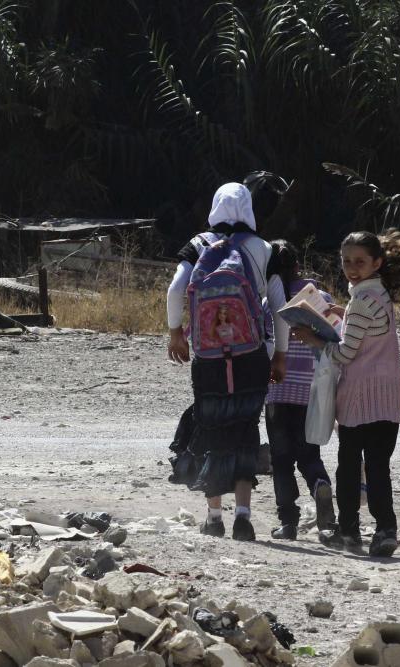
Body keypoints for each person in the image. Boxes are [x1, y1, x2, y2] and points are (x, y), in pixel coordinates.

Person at [166, 182, 289, 541]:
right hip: (251, 356)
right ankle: (244, 517)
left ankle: (214, 517)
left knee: (213, 430)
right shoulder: (264, 249)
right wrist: (280, 354)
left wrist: (175, 333)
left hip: (208, 359)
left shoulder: (198, 244)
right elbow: (280, 306)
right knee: (245, 430)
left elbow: (175, 290)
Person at [293, 230, 400, 558]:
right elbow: (367, 333)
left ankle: (349, 529)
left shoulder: (361, 299)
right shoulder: (379, 293)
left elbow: (346, 353)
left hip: (360, 397)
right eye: (347, 261)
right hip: (386, 397)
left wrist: (314, 339)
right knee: (378, 469)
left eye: (359, 262)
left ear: (377, 262)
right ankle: (385, 529)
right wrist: (343, 313)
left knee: (349, 467)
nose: (351, 268)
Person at [264, 239, 337, 541]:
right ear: (297, 265)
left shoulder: (268, 303)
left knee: (281, 460)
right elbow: (335, 337)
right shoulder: (320, 298)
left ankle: (288, 522)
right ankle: (320, 484)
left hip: (277, 393)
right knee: (309, 454)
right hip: (311, 393)